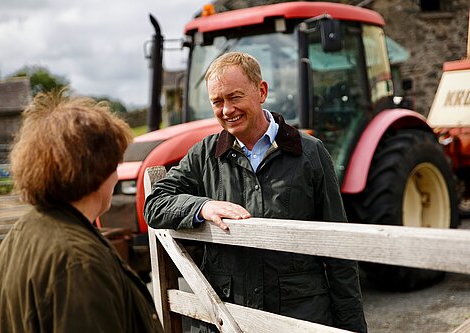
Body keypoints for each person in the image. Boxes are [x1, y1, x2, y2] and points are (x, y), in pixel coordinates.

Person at [144, 52, 367, 333]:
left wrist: (352, 327)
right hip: (228, 318)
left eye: (234, 97)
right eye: (217, 101)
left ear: (261, 91)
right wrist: (202, 207)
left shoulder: (310, 153)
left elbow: (339, 250)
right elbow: (154, 204)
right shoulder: (205, 154)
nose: (226, 110)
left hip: (297, 319)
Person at [0, 91, 163, 333]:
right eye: (115, 165)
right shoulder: (80, 263)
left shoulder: (19, 234)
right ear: (97, 171)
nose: (117, 176)